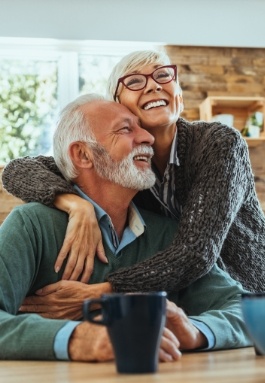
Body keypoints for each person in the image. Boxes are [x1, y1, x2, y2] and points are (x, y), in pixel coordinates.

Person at [0, 93, 252, 361]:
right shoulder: (31, 226)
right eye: (125, 129)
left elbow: (249, 311)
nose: (148, 138)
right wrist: (76, 338)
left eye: (141, 128)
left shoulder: (167, 235)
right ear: (83, 154)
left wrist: (196, 331)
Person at [2, 50, 265, 293]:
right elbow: (18, 170)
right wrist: (75, 205)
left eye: (163, 75)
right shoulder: (124, 164)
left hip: (247, 294)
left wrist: (104, 292)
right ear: (119, 105)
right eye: (135, 81)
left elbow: (196, 252)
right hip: (184, 295)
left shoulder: (219, 143)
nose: (153, 84)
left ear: (180, 98)